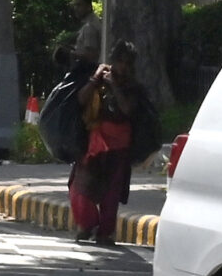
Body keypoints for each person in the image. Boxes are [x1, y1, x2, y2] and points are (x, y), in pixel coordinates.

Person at [67, 43, 159, 245]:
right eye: (119, 62)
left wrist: (115, 86)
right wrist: (95, 79)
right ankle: (86, 224)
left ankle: (105, 232)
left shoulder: (132, 87)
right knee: (80, 187)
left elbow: (127, 110)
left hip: (119, 147)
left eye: (127, 63)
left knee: (111, 191)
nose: (123, 67)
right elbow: (81, 100)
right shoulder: (98, 78)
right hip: (94, 143)